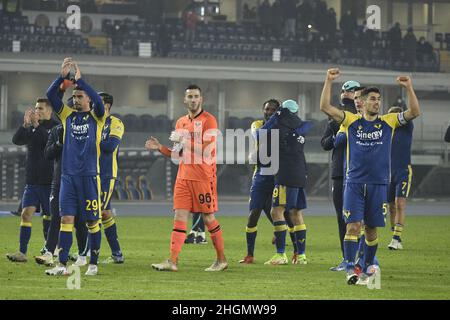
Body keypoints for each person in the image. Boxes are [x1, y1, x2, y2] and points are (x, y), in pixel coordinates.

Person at [320, 68, 420, 285]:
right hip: (354, 184)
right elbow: (325, 107)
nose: (377, 102)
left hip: (378, 184)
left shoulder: (389, 121)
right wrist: (328, 81)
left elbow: (414, 112)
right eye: (373, 99)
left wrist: (409, 87)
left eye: (378, 99)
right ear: (362, 103)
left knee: (372, 230)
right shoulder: (350, 121)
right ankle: (349, 269)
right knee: (353, 227)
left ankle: (366, 267)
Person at [145, 84, 227, 272]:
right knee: (179, 216)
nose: (192, 99)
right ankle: (172, 261)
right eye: (189, 96)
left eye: (196, 96)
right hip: (183, 177)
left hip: (203, 177)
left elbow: (206, 149)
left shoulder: (209, 120)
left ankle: (221, 260)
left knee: (208, 218)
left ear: (201, 99)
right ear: (184, 100)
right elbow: (177, 154)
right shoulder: (181, 122)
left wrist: (184, 140)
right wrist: (160, 148)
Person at [44, 57, 105, 276]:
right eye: (74, 96)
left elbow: (98, 101)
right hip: (68, 178)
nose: (76, 100)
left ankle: (93, 264)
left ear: (87, 98)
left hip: (89, 176)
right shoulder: (67, 116)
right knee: (66, 220)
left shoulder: (97, 117)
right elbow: (50, 96)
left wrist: (82, 81)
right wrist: (61, 77)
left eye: (80, 96)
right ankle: (61, 265)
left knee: (91, 221)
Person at [6, 98, 58, 263]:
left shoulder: (55, 127)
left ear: (49, 110)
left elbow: (46, 141)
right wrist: (25, 125)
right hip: (32, 181)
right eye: (36, 108)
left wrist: (36, 125)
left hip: (49, 181)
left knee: (49, 217)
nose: (37, 111)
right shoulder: (34, 127)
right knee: (26, 214)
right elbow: (17, 140)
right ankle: (22, 252)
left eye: (41, 108)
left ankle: (50, 250)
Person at [262, 100, 312, 266]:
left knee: (276, 211)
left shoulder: (279, 128)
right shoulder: (299, 129)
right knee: (296, 213)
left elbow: (262, 134)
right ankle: (302, 256)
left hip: (285, 174)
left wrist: (275, 118)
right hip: (300, 173)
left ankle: (280, 254)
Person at [321, 80, 360, 271]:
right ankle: (347, 259)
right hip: (339, 172)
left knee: (358, 217)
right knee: (341, 216)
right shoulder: (334, 117)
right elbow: (325, 143)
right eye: (345, 89)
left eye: (352, 90)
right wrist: (335, 137)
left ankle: (361, 258)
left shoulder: (364, 116)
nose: (347, 92)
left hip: (359, 172)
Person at [239, 99, 278, 264]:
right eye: (267, 109)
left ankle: (288, 253)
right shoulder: (257, 124)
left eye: (273, 110)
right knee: (254, 213)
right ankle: (249, 255)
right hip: (260, 174)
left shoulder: (282, 126)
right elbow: (259, 134)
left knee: (279, 214)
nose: (269, 112)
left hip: (277, 175)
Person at [98, 92, 125, 263]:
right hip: (91, 172)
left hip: (107, 174)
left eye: (97, 102)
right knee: (105, 213)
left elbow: (110, 146)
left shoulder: (116, 123)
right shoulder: (93, 121)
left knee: (96, 212)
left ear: (107, 106)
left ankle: (86, 252)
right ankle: (117, 253)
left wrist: (89, 140)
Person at [387, 106, 414, 250]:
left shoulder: (407, 126)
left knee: (400, 204)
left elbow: (412, 113)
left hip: (403, 171)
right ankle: (395, 237)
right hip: (389, 173)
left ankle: (396, 239)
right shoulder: (387, 131)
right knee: (391, 206)